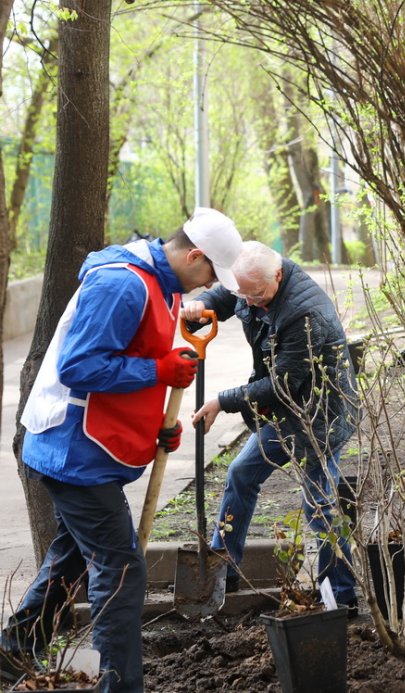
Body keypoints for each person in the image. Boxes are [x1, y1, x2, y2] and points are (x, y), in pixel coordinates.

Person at [3, 208, 243, 692]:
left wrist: (156, 427)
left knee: (72, 559)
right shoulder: (122, 285)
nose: (210, 284)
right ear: (194, 255)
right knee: (121, 571)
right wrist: (160, 371)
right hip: (72, 451)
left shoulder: (163, 285)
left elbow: (129, 358)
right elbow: (79, 367)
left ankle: (13, 652)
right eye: (212, 273)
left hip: (90, 446)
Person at [180, 241, 360, 613]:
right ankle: (223, 570)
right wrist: (201, 306)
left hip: (319, 416)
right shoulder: (250, 284)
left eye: (257, 295)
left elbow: (281, 385)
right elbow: (224, 297)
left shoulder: (304, 314)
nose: (249, 302)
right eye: (242, 294)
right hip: (286, 410)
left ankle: (343, 597)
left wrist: (222, 401)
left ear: (278, 276)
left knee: (319, 506)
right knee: (241, 473)